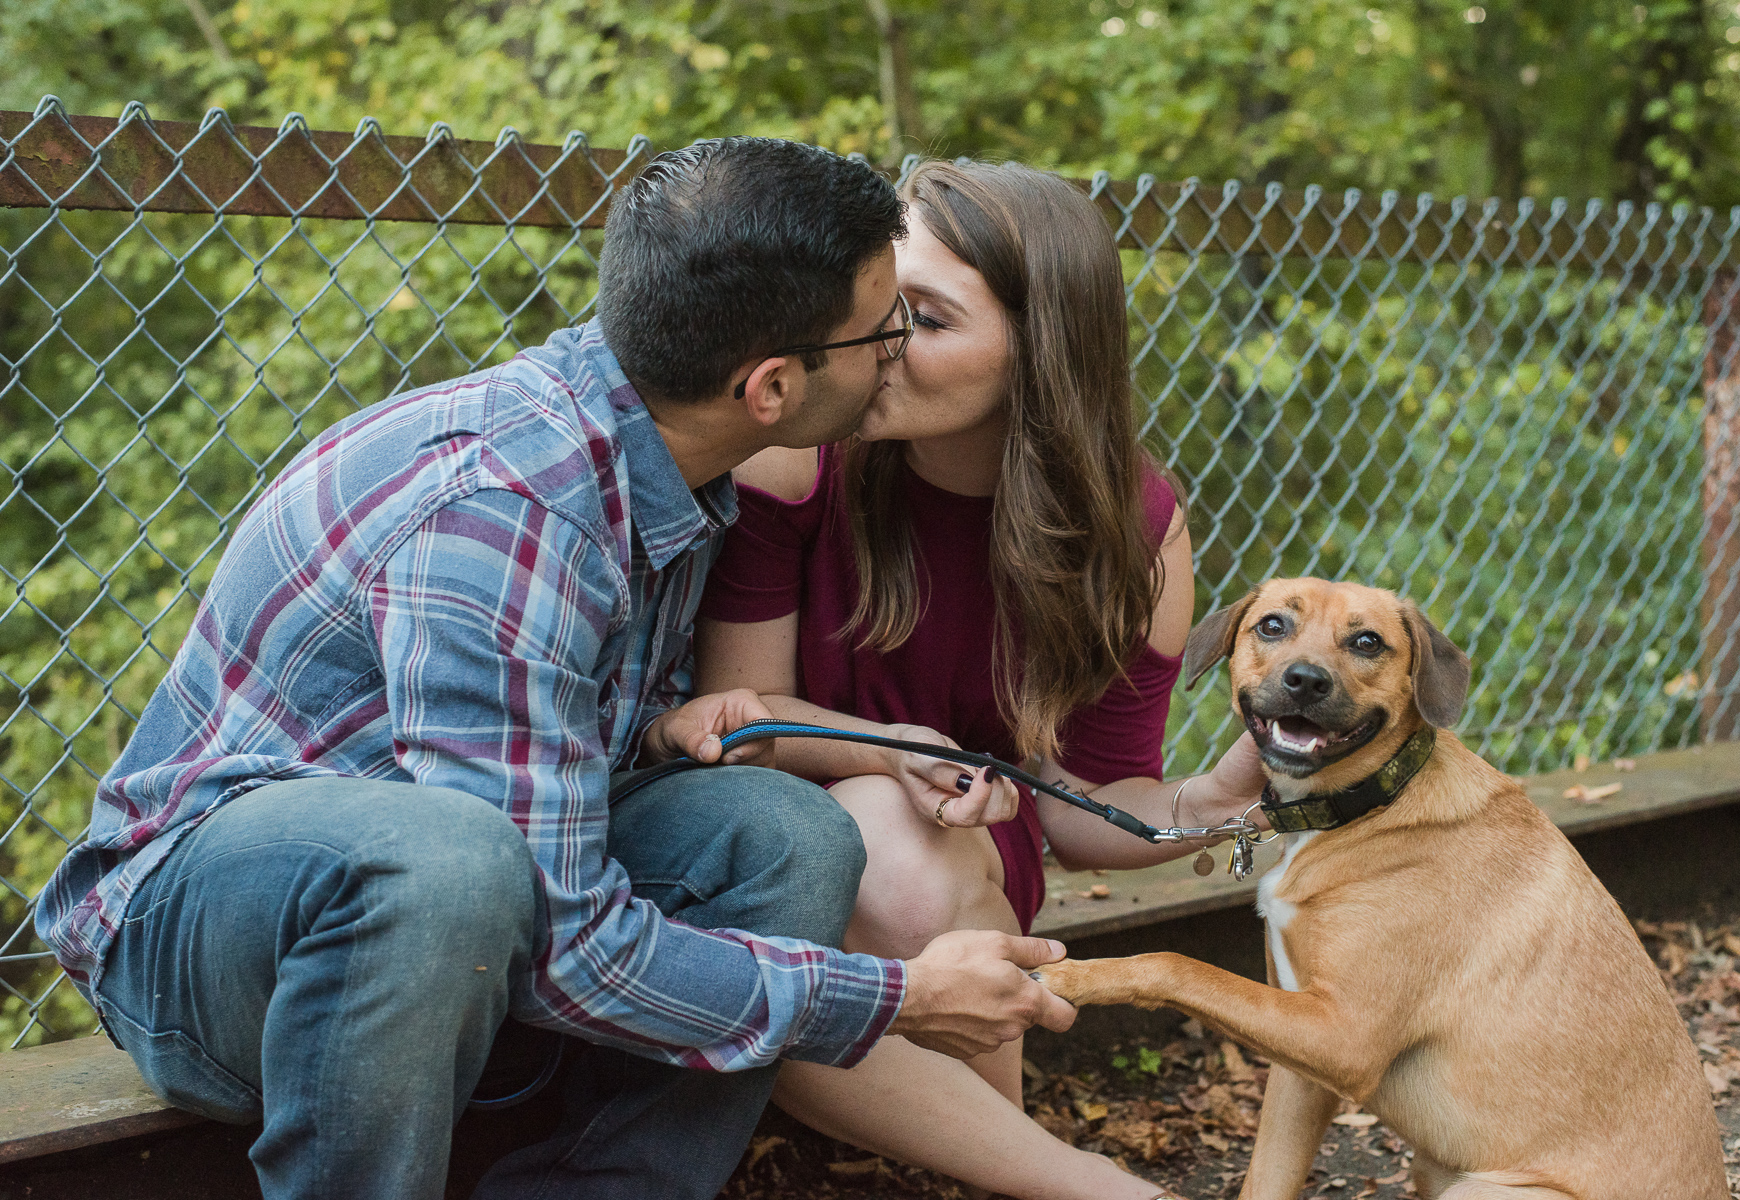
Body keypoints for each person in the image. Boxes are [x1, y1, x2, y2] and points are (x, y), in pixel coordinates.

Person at [32, 138, 1079, 1200]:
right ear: (769, 386)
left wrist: (661, 729)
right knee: (444, 860)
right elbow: (563, 940)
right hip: (210, 952)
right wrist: (890, 997)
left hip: (447, 931)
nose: (895, 350)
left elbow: (527, 770)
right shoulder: (509, 511)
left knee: (783, 835)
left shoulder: (664, 452)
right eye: (880, 329)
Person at [695, 159, 1267, 1200]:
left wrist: (1207, 806)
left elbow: (1087, 806)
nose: (875, 341)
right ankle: (1044, 1176)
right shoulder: (794, 447)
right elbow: (737, 722)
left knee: (913, 838)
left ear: (1040, 353)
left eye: (926, 316)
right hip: (759, 822)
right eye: (878, 302)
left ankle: (995, 1164)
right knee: (869, 819)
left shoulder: (1131, 529)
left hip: (960, 848)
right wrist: (898, 752)